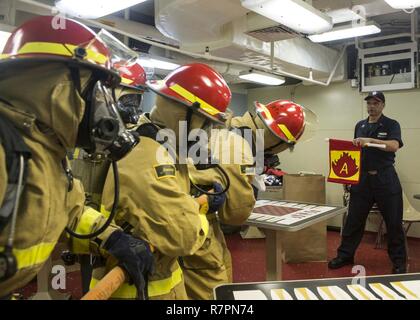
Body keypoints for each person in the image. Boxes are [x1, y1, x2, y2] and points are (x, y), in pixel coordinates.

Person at [0, 16, 153, 298]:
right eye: (96, 91)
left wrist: (113, 238)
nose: (105, 107)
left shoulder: (47, 148)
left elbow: (69, 211)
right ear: (57, 86)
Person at [86, 63, 231, 299]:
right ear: (182, 113)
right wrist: (201, 209)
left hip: (160, 282)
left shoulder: (164, 147)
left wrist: (191, 201)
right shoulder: (148, 154)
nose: (207, 132)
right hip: (138, 290)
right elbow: (184, 235)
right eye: (205, 123)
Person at [180, 99, 312, 300]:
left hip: (185, 220)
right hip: (196, 230)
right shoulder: (239, 147)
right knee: (213, 290)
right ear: (276, 140)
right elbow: (235, 214)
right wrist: (250, 183)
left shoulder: (229, 127)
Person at [328, 91, 407, 274]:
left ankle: (399, 262)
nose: (372, 106)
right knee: (353, 221)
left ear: (383, 105)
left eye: (376, 103)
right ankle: (345, 255)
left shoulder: (391, 124)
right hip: (362, 180)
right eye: (369, 103)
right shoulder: (360, 125)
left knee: (394, 223)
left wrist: (370, 140)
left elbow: (394, 145)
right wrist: (348, 178)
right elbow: (355, 153)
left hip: (385, 179)